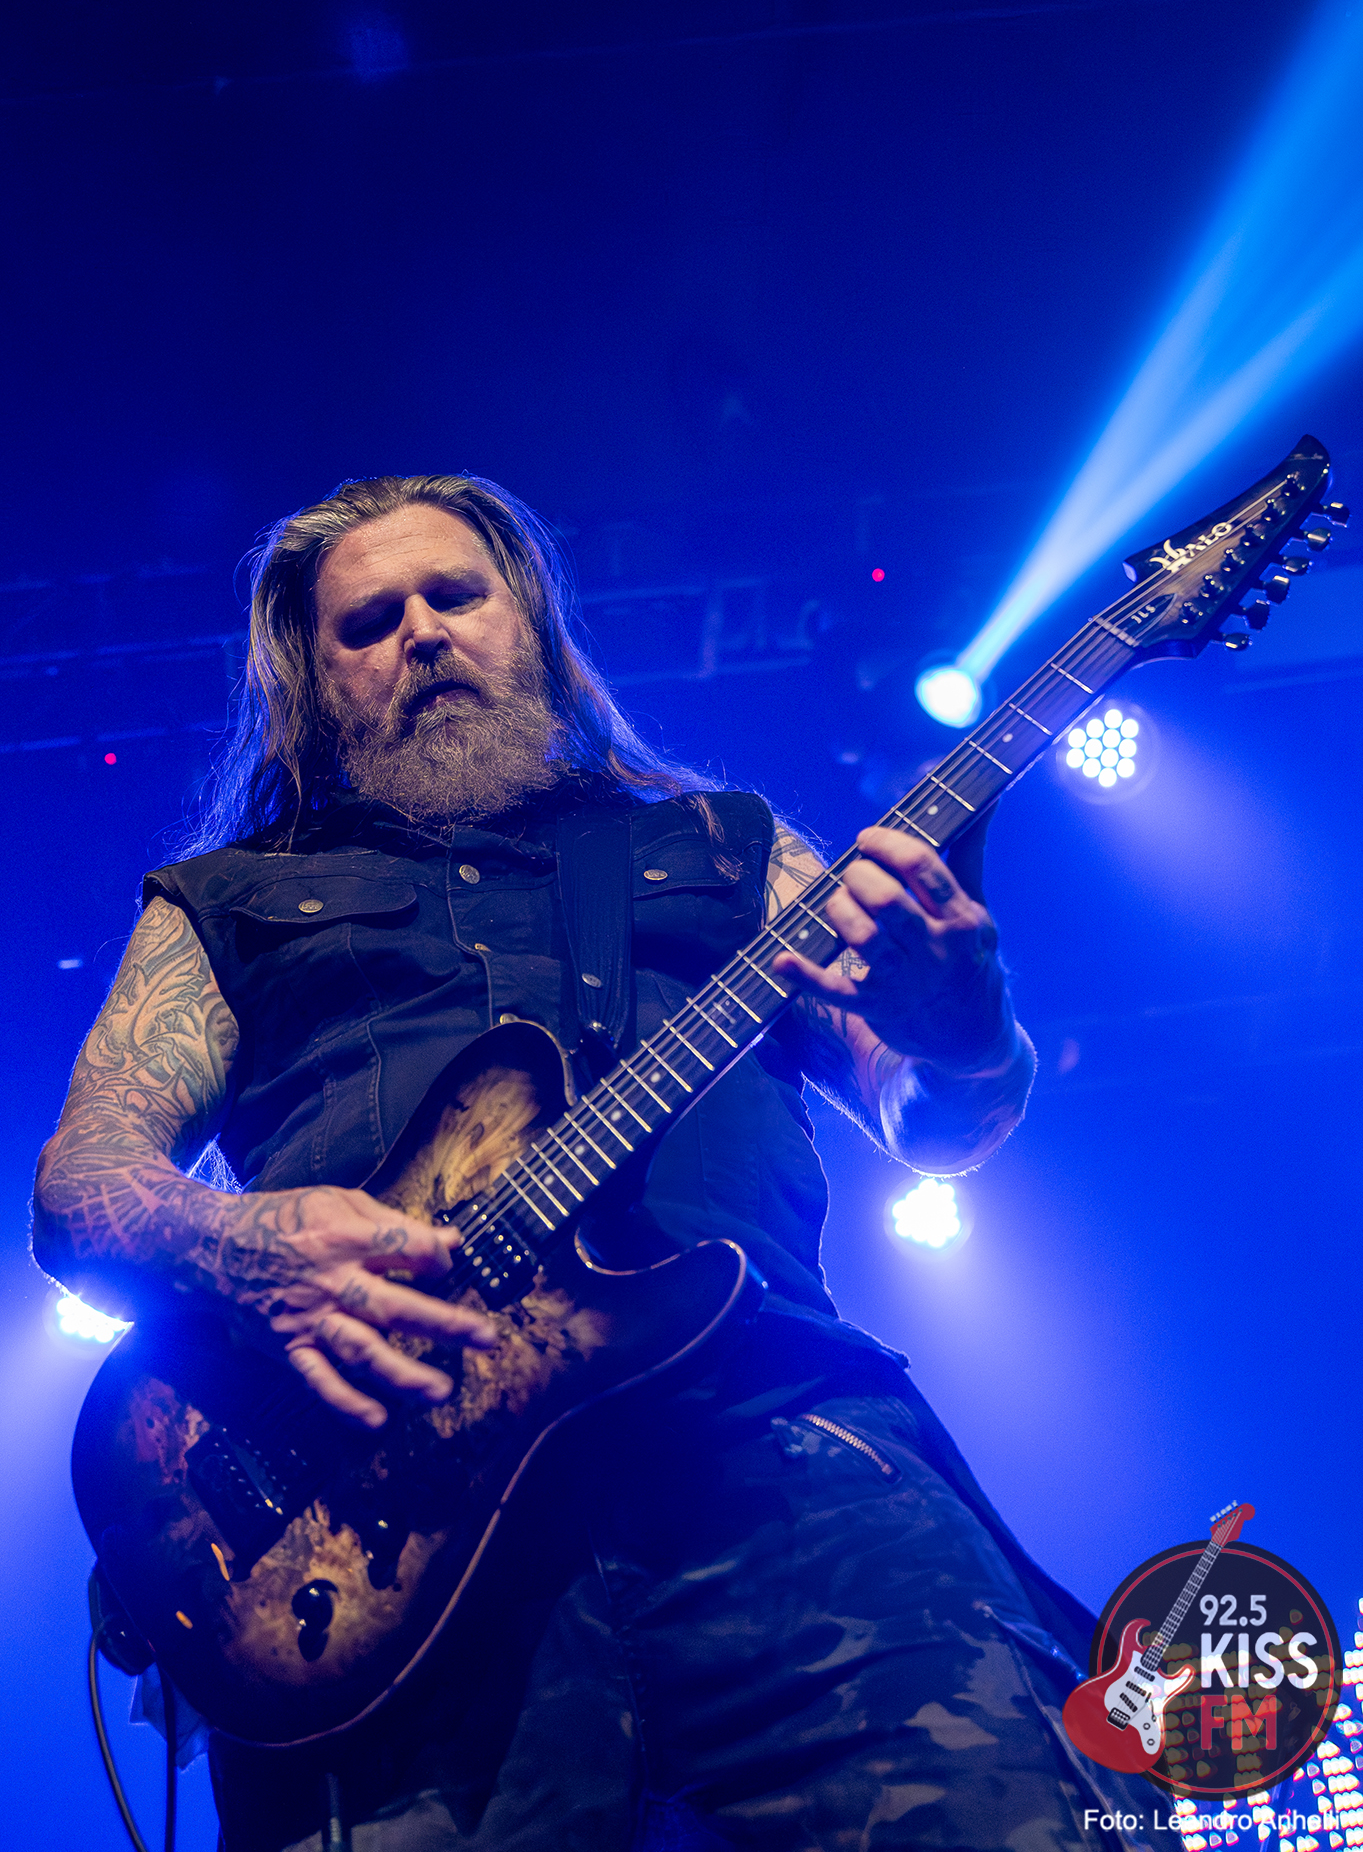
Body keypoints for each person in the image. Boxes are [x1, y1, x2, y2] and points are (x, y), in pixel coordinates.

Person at [33, 475, 1167, 1852]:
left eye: (456, 595)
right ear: (313, 685)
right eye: (369, 623)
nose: (422, 633)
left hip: (778, 1455)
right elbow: (81, 1188)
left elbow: (936, 1120)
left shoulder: (721, 849)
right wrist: (252, 1248)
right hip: (389, 1542)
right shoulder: (228, 904)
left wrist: (968, 1030)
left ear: (531, 622)